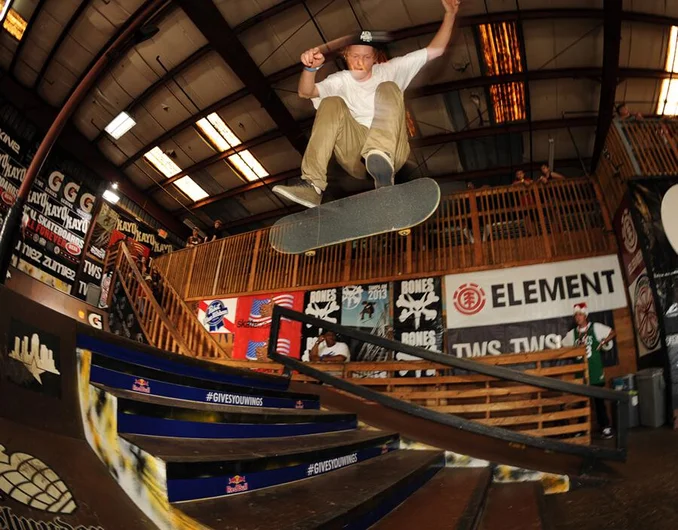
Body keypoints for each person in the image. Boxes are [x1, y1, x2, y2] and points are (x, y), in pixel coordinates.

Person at [271, 0, 462, 208]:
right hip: (354, 153)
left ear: (375, 59)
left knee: (388, 87)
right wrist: (310, 69)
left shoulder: (391, 69)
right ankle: (312, 185)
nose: (360, 62)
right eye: (355, 56)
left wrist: (450, 14)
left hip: (392, 150)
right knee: (332, 102)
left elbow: (436, 50)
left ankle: (380, 159)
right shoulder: (340, 80)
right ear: (346, 57)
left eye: (366, 57)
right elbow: (305, 92)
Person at [562, 302, 617, 439]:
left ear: (585, 315)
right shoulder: (572, 334)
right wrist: (573, 352)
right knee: (582, 402)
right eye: (576, 315)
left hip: (595, 370)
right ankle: (581, 428)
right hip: (581, 373)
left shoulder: (595, 327)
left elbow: (613, 332)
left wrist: (603, 342)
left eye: (580, 314)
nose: (577, 317)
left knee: (599, 402)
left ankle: (605, 427)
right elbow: (563, 347)